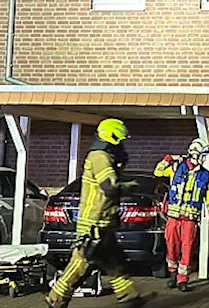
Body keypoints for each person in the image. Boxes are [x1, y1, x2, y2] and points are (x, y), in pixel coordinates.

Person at [47, 119, 151, 308]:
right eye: (119, 141)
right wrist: (130, 186)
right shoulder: (100, 157)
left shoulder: (103, 156)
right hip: (94, 224)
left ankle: (130, 298)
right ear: (110, 138)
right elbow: (109, 188)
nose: (121, 145)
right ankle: (56, 299)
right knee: (80, 263)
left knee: (114, 262)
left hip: (104, 222)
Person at [153, 138, 209, 292]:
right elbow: (158, 171)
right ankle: (173, 273)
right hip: (173, 217)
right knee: (172, 247)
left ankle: (183, 279)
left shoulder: (205, 175)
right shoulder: (176, 168)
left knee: (187, 248)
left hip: (190, 219)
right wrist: (169, 158)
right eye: (202, 155)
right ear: (194, 154)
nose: (203, 159)